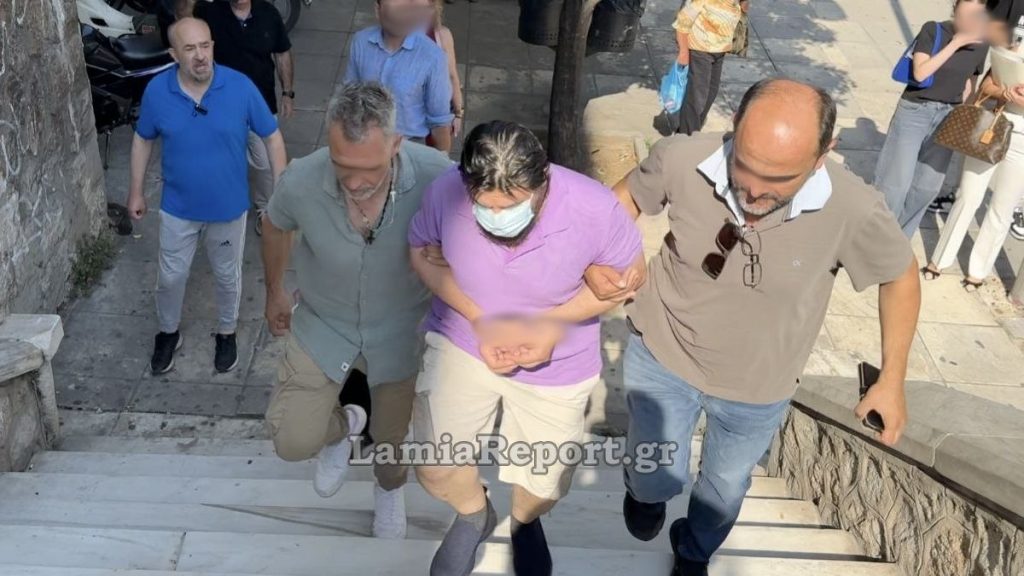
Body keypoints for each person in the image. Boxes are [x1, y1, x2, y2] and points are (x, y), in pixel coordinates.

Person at [587, 78, 921, 576]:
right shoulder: (681, 158)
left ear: (823, 154)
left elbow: (900, 276)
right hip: (663, 355)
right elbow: (623, 201)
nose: (755, 190)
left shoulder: (854, 207)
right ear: (735, 126)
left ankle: (693, 552)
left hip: (759, 389)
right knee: (655, 472)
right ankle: (645, 493)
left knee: (723, 492)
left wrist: (892, 379)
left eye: (780, 178)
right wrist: (601, 258)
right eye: (744, 165)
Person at [408, 121, 644, 576]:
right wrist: (480, 319)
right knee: (435, 467)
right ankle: (474, 514)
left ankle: (525, 521)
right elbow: (419, 251)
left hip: (558, 362)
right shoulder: (445, 193)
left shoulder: (593, 206)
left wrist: (552, 325)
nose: (497, 218)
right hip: (464, 341)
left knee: (547, 480)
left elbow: (630, 277)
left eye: (512, 205)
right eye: (485, 206)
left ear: (543, 182)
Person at [260, 82, 452, 539]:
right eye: (341, 166)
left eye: (367, 169)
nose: (353, 182)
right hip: (324, 324)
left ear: (396, 144)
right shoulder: (302, 179)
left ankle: (389, 491)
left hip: (401, 332)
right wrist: (274, 292)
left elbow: (480, 233)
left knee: (392, 439)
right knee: (292, 441)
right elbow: (274, 225)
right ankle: (343, 427)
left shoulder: (440, 177)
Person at [127, 17, 286, 375]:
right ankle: (168, 332)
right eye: (189, 48)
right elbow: (142, 139)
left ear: (213, 46)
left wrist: (281, 189)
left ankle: (227, 332)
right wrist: (136, 191)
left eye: (205, 45)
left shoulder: (240, 86)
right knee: (170, 277)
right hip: (177, 208)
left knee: (228, 277)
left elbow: (272, 136)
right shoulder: (157, 91)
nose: (200, 55)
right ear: (174, 54)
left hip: (228, 208)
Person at [172, 0, 295, 237]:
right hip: (219, 108)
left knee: (265, 163)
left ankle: (266, 210)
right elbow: (182, 17)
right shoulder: (208, 13)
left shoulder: (269, 14)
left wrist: (288, 92)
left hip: (261, 105)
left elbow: (282, 53)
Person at [874, 0, 990, 237]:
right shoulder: (933, 30)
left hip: (949, 116)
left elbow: (971, 82)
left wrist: (966, 114)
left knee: (926, 188)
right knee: (895, 185)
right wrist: (955, 43)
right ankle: (876, 238)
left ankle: (899, 240)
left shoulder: (982, 44)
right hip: (915, 111)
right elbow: (920, 72)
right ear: (955, 8)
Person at [924, 20, 1024, 289]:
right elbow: (986, 87)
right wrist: (1006, 93)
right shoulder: (1013, 45)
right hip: (992, 126)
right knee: (968, 196)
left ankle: (978, 271)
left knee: (1001, 208)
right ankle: (939, 260)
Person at [344, 0, 454, 152]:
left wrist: (442, 162)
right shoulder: (361, 41)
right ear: (378, 9)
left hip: (409, 147)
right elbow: (349, 96)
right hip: (364, 141)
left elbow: (439, 122)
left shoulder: (433, 57)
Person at [673, 0, 749, 135]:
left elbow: (743, 8)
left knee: (710, 93)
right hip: (700, 50)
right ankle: (687, 136)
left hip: (719, 52)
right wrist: (683, 52)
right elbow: (682, 21)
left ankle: (691, 129)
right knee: (697, 97)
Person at [422, 0, 465, 148]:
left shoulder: (442, 35)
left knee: (439, 156)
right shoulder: (397, 37)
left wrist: (458, 113)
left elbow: (452, 76)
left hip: (438, 117)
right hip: (409, 119)